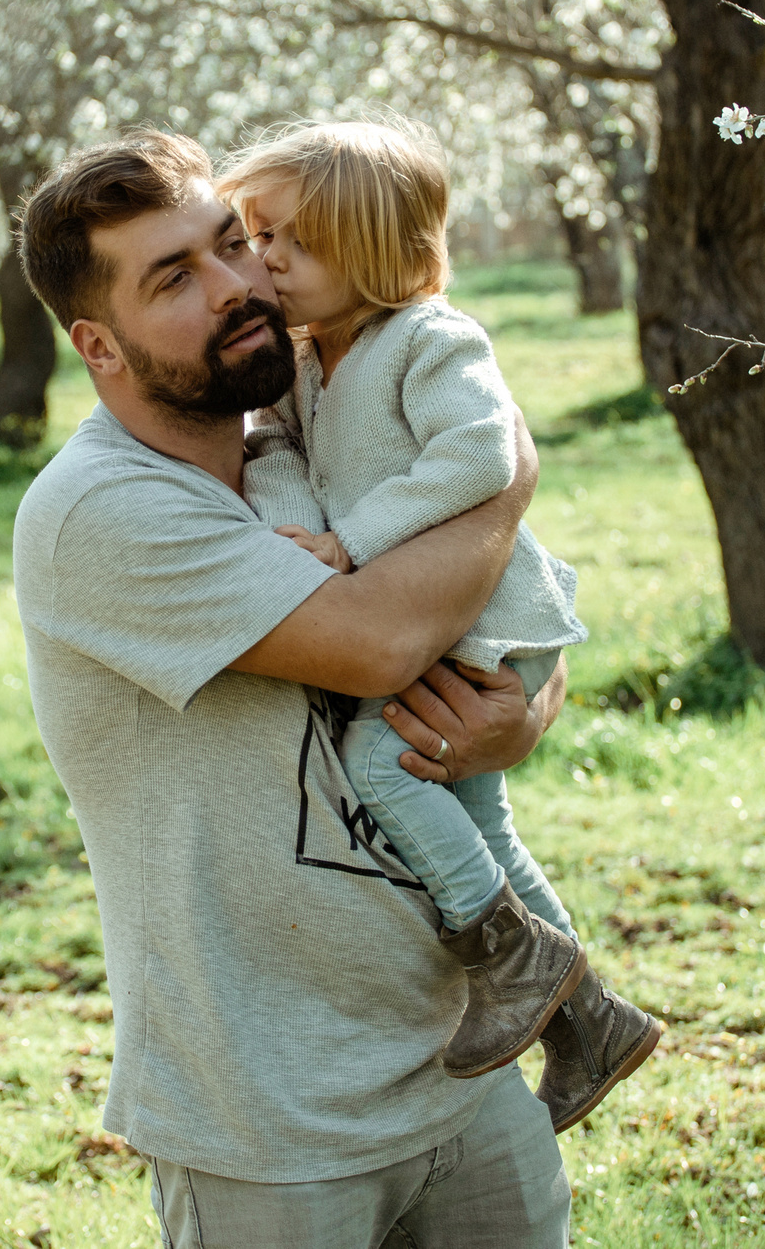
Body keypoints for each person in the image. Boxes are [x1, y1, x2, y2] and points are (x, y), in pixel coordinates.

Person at [11, 131, 574, 1248]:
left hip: (457, 1063)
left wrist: (515, 723)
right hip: (272, 1120)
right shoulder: (102, 511)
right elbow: (378, 644)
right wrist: (508, 467)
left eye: (233, 243)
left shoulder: (303, 446)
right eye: (174, 278)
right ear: (98, 344)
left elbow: (489, 631)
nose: (236, 286)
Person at [220, 119, 659, 1129]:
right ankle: (592, 1022)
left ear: (372, 251)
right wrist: (295, 522)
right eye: (258, 234)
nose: (265, 258)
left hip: (486, 612)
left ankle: (508, 954)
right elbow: (277, 444)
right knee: (481, 818)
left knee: (388, 766)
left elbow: (476, 459)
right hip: (432, 613)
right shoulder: (302, 358)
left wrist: (351, 542)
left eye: (291, 239)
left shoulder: (431, 339)